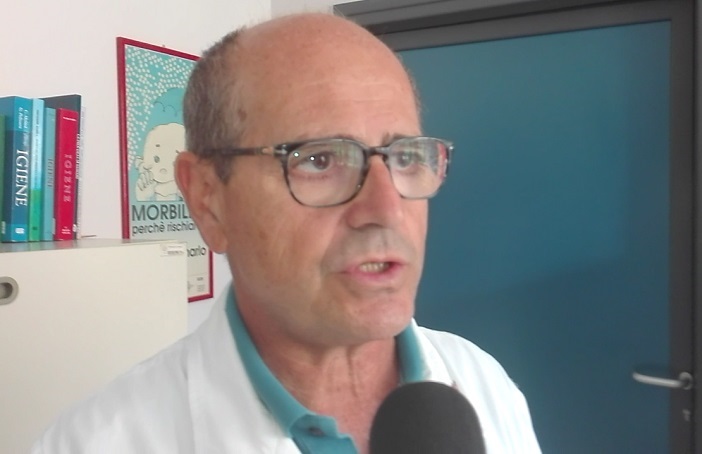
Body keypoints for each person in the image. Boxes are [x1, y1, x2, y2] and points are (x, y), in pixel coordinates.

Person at [33, 13, 541, 453]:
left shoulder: (485, 385)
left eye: (405, 157)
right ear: (208, 198)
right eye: (319, 160)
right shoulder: (95, 442)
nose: (387, 209)